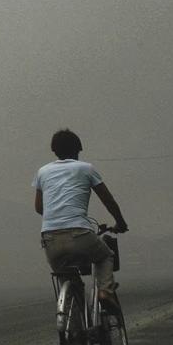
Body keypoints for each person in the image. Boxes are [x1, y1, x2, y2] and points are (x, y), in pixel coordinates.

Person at [32, 129, 128, 306]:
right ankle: (106, 292)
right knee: (105, 256)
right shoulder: (86, 168)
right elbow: (108, 200)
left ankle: (72, 322)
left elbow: (39, 208)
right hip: (80, 233)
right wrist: (120, 223)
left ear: (54, 151)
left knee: (66, 278)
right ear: (78, 150)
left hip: (50, 238)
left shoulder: (42, 172)